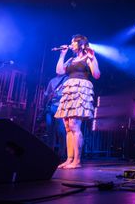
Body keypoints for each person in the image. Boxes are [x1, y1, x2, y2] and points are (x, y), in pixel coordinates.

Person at [54, 34, 100, 169]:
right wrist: (62, 55)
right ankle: (69, 159)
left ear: (81, 44)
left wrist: (93, 58)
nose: (71, 44)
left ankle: (77, 160)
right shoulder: (71, 59)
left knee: (75, 125)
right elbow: (59, 71)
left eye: (73, 42)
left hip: (80, 90)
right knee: (67, 126)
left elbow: (96, 75)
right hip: (69, 90)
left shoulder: (88, 57)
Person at [43, 74, 68, 161]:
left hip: (60, 107)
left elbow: (68, 94)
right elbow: (46, 93)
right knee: (49, 130)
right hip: (50, 107)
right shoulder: (52, 80)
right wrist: (47, 98)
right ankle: (50, 152)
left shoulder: (67, 79)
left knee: (61, 131)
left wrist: (58, 96)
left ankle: (62, 153)